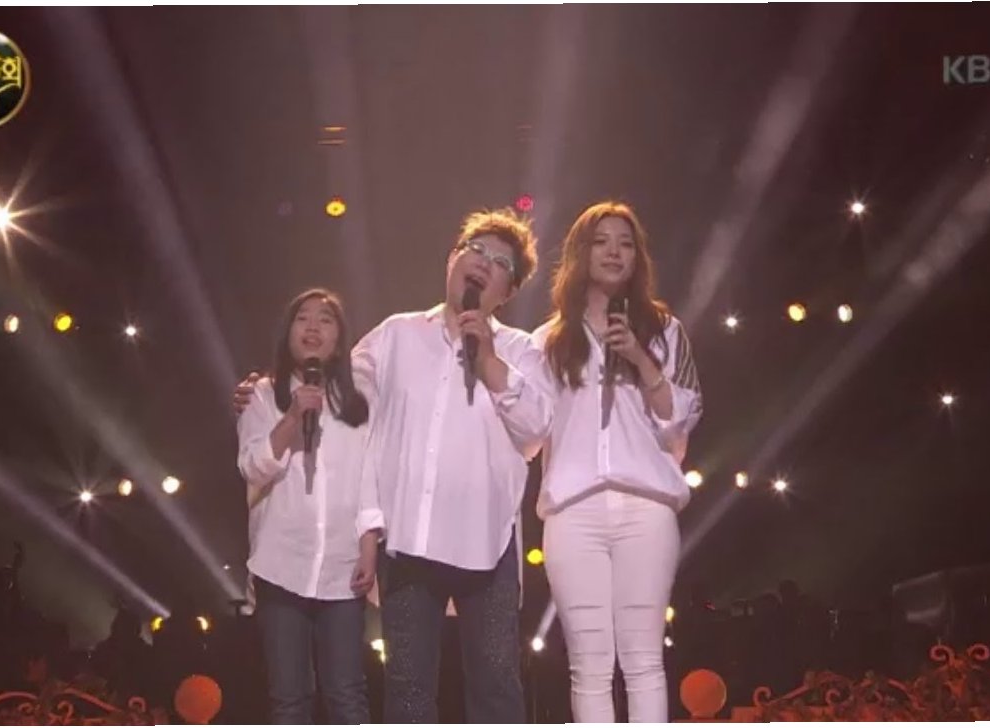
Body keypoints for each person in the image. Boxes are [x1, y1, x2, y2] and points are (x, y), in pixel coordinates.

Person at [233, 207, 551, 723]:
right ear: (452, 260)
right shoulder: (396, 335)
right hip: (408, 544)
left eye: (499, 262)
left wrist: (490, 361)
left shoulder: (520, 350)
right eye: (474, 250)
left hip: (486, 543)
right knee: (407, 691)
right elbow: (341, 389)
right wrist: (269, 389)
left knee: (496, 686)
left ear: (508, 290)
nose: (482, 263)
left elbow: (536, 431)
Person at [531, 201, 703, 722]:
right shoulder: (548, 340)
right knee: (589, 666)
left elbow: (680, 419)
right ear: (580, 254)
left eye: (625, 243)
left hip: (646, 508)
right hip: (573, 512)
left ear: (637, 258)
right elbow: (529, 426)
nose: (613, 252)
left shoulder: (665, 331)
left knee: (644, 660)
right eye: (601, 242)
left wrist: (641, 360)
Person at [236, 288, 379, 724]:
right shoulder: (262, 395)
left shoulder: (359, 400)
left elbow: (371, 478)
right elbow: (253, 467)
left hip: (343, 569)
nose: (313, 327)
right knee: (289, 699)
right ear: (288, 332)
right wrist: (292, 417)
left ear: (340, 338)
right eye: (303, 318)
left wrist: (369, 547)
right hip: (281, 564)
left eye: (326, 319)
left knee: (347, 694)